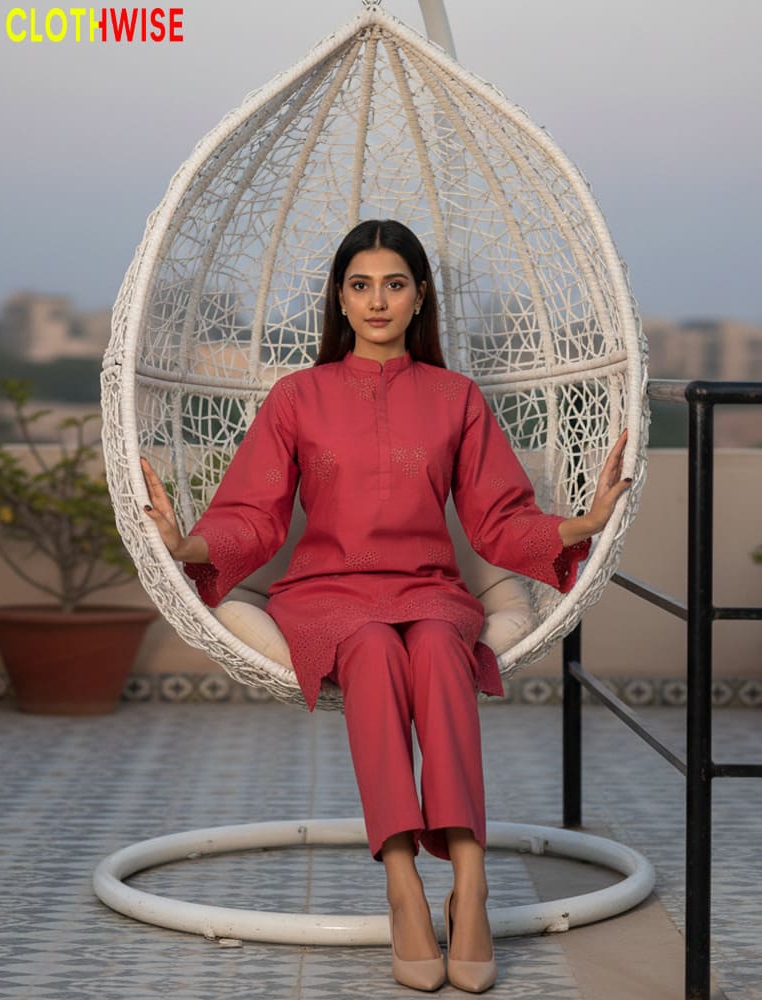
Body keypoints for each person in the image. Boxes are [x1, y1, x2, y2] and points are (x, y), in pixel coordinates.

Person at [141, 219, 630, 994]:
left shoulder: (456, 398)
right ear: (340, 296)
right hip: (327, 594)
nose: (377, 301)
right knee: (370, 647)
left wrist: (583, 525)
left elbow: (498, 517)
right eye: (361, 285)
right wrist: (185, 546)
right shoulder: (297, 396)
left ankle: (470, 879)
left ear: (419, 296)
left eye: (394, 284)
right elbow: (255, 515)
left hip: (430, 586)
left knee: (438, 647)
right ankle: (403, 882)